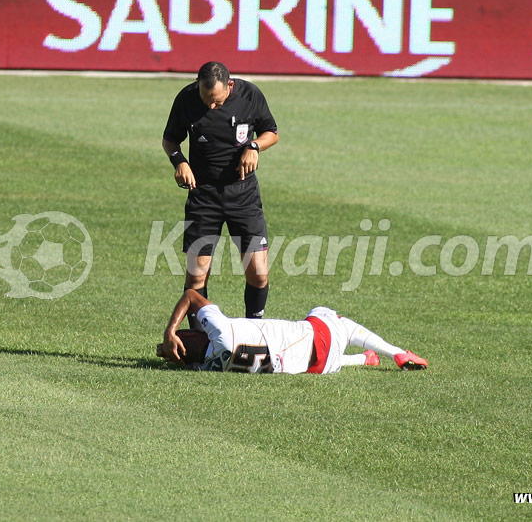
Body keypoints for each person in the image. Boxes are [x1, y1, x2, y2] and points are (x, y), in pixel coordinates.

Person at [162, 61, 279, 328]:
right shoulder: (186, 99)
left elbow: (271, 133)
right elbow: (170, 140)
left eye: (216, 101)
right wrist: (179, 162)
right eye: (206, 100)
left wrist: (254, 146)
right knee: (196, 277)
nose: (211, 106)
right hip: (203, 197)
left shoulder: (250, 95)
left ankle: (254, 331)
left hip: (243, 195)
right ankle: (200, 338)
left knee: (258, 273)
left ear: (229, 85)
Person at [157, 290, 428, 374]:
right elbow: (191, 295)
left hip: (319, 367)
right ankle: (396, 353)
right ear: (194, 336)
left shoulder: (206, 368)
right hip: (322, 336)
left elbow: (187, 360)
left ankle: (362, 359)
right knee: (325, 313)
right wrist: (171, 332)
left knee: (313, 352)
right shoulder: (221, 331)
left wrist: (172, 356)